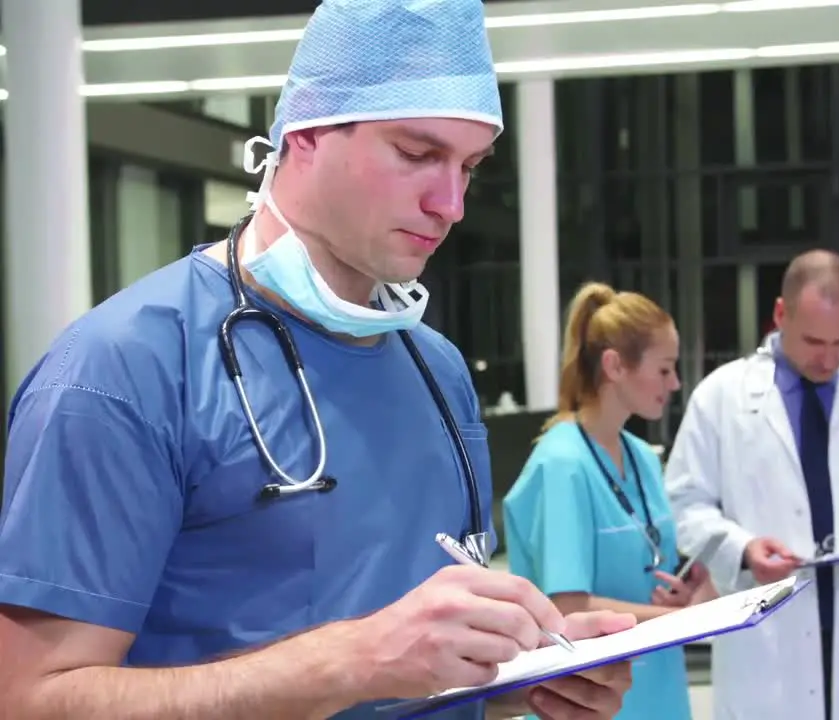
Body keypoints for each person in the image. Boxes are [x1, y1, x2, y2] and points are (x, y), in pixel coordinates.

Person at [0, 2, 633, 719]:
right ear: (303, 134)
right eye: (418, 153)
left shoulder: (436, 372)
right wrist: (351, 662)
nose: (450, 203)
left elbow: (412, 676)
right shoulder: (126, 370)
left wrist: (517, 675)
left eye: (471, 166)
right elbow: (31, 701)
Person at [664, 249, 839, 720]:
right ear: (780, 314)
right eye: (815, 340)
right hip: (770, 635)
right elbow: (686, 503)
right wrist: (744, 549)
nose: (830, 358)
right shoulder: (722, 396)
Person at [503, 282, 712, 720]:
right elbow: (568, 607)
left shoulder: (642, 457)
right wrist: (680, 620)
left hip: (661, 690)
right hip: (590, 699)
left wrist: (683, 590)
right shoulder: (562, 464)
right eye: (664, 369)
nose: (674, 383)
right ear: (615, 366)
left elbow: (649, 560)